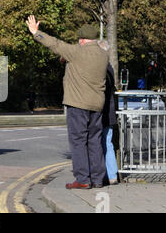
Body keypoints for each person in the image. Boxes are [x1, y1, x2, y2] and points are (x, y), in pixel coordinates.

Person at [26, 15, 108, 189]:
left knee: (78, 141)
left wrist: (36, 32)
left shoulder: (76, 52)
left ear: (83, 40)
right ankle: (98, 178)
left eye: (79, 40)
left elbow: (55, 44)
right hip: (97, 105)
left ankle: (83, 179)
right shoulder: (103, 55)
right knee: (94, 141)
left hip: (78, 104)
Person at [98, 40, 119, 185]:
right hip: (109, 112)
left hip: (101, 111)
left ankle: (104, 174)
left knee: (99, 143)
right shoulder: (110, 67)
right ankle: (112, 175)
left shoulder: (100, 68)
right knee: (108, 142)